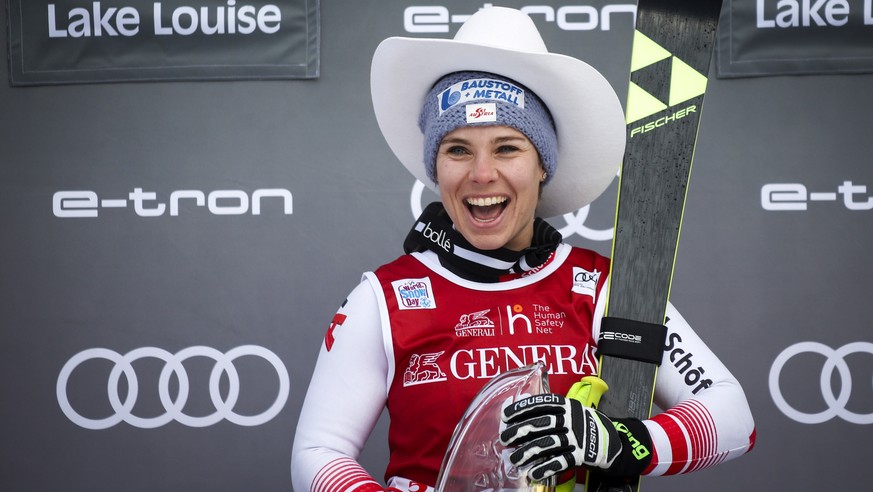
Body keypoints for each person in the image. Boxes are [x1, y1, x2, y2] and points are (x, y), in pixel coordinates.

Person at [291, 7, 755, 492]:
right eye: (457, 149)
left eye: (508, 148)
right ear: (435, 167)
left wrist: (613, 442)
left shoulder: (601, 289)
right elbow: (318, 452)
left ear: (543, 166)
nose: (482, 174)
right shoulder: (385, 299)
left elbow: (733, 416)